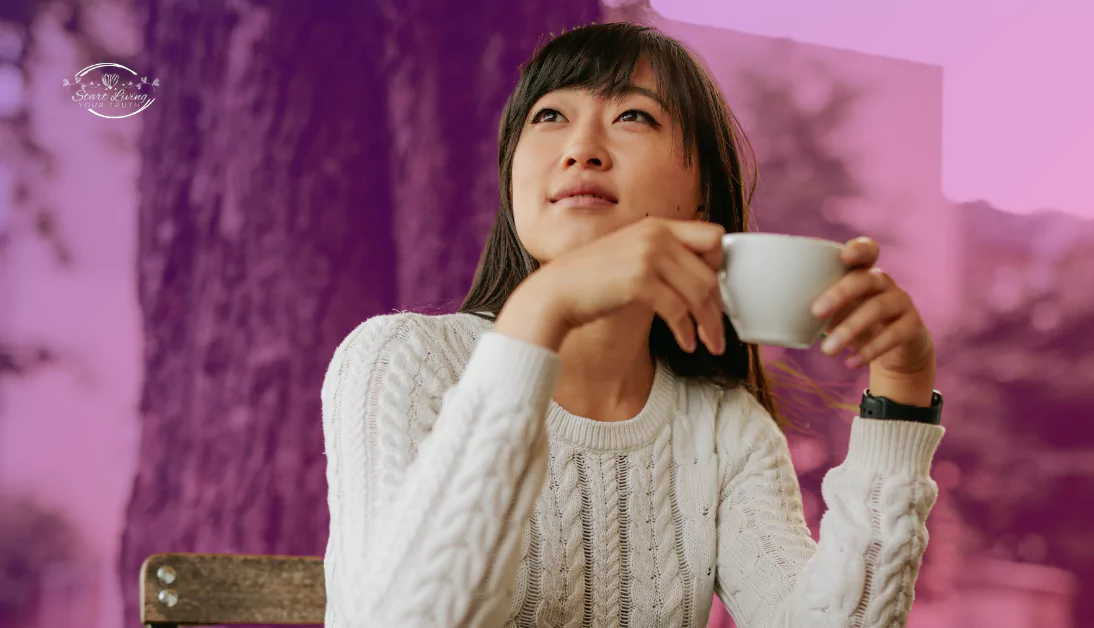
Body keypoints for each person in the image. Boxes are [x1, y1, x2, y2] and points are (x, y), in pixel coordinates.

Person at [320, 21, 945, 628]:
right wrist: (543, 310)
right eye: (549, 116)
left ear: (703, 193)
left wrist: (903, 395)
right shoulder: (397, 360)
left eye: (633, 116)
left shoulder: (723, 428)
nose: (581, 148)